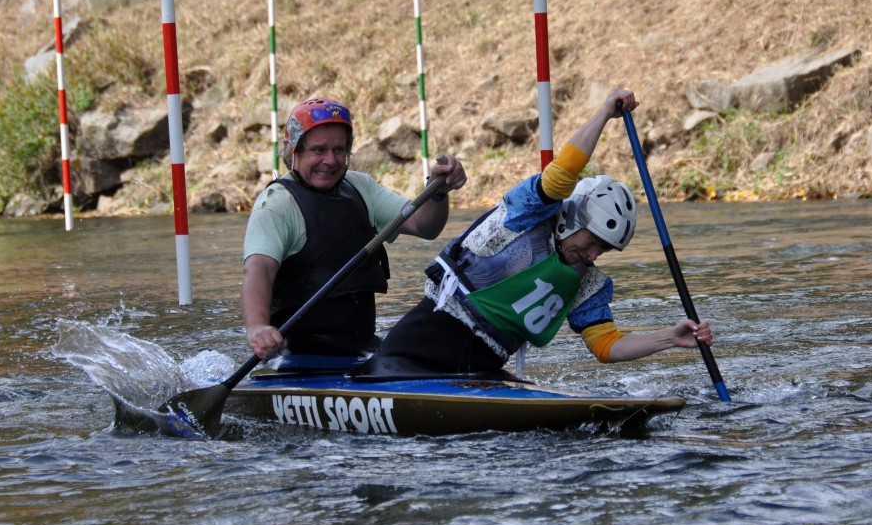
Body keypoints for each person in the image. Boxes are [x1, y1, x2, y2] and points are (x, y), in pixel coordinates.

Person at [360, 88, 713, 378]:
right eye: (592, 242)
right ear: (570, 220)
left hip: (483, 368)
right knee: (374, 373)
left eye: (604, 250)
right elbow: (562, 175)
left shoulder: (587, 283)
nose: (593, 255)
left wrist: (670, 337)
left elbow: (607, 346)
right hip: (419, 344)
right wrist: (605, 113)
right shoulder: (525, 215)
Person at [242, 97, 467, 363]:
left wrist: (437, 192)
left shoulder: (361, 188)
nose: (330, 160)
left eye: (339, 149)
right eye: (318, 150)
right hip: (297, 356)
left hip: (361, 350)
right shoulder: (276, 204)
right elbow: (259, 270)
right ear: (294, 151)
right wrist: (257, 328)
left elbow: (423, 225)